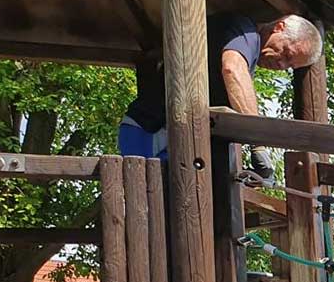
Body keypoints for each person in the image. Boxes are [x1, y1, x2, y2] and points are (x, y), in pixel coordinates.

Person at [119, 12, 323, 171]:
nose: (281, 63)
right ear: (279, 27)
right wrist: (257, 143)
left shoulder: (247, 45)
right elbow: (232, 69)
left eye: (289, 65)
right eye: (286, 53)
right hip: (151, 133)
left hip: (168, 136)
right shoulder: (244, 32)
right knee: (155, 210)